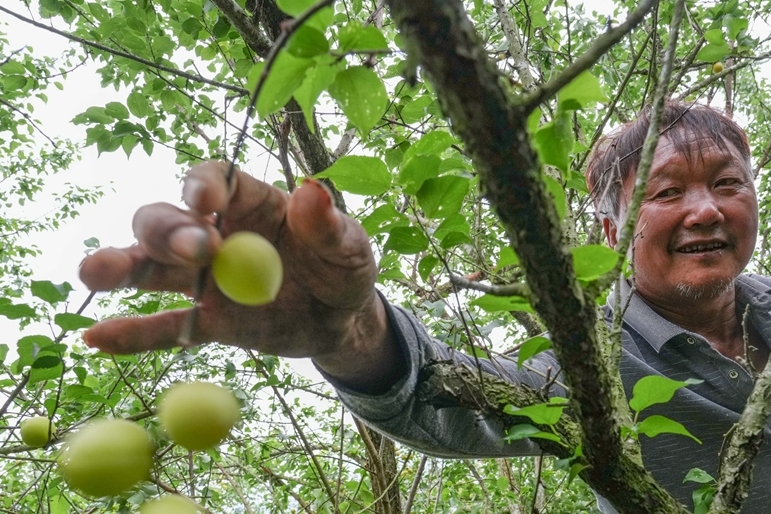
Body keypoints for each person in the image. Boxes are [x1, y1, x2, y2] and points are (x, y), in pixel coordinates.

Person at [79, 102, 771, 513]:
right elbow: (433, 394)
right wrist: (347, 328)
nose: (704, 209)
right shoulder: (587, 368)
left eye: (725, 183)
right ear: (613, 232)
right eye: (666, 192)